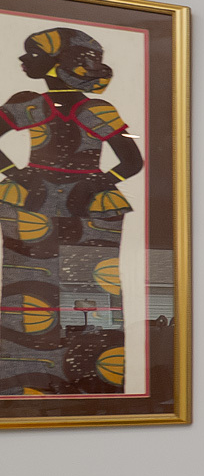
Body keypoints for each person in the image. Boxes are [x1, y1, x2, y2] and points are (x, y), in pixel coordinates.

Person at [0, 27, 143, 394]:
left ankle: (90, 385)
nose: (25, 61)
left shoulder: (97, 110)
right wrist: (15, 172)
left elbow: (132, 160)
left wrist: (95, 183)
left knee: (91, 292)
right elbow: (131, 162)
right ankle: (26, 384)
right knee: (29, 288)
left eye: (33, 55)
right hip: (33, 205)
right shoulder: (30, 103)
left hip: (88, 207)